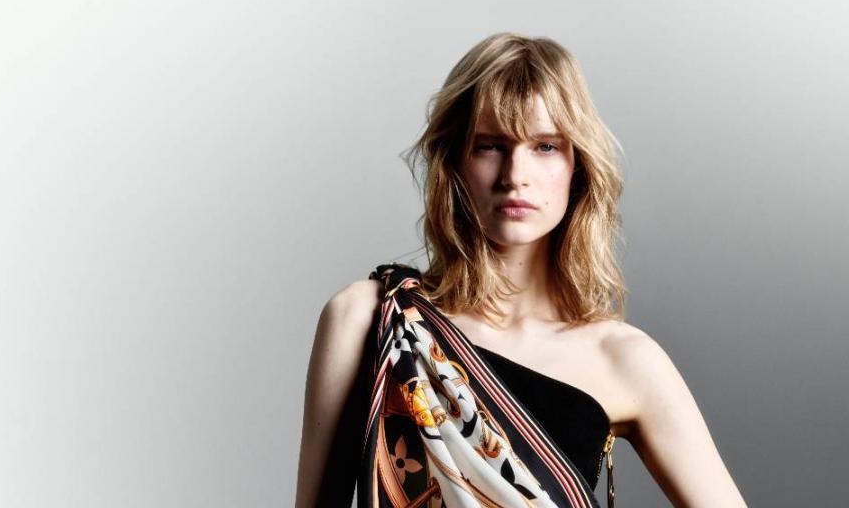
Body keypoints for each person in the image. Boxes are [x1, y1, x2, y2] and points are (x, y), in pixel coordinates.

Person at [295, 32, 747, 507]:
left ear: (578, 166)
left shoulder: (622, 360)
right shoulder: (369, 319)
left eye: (545, 146)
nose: (515, 176)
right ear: (454, 162)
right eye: (490, 146)